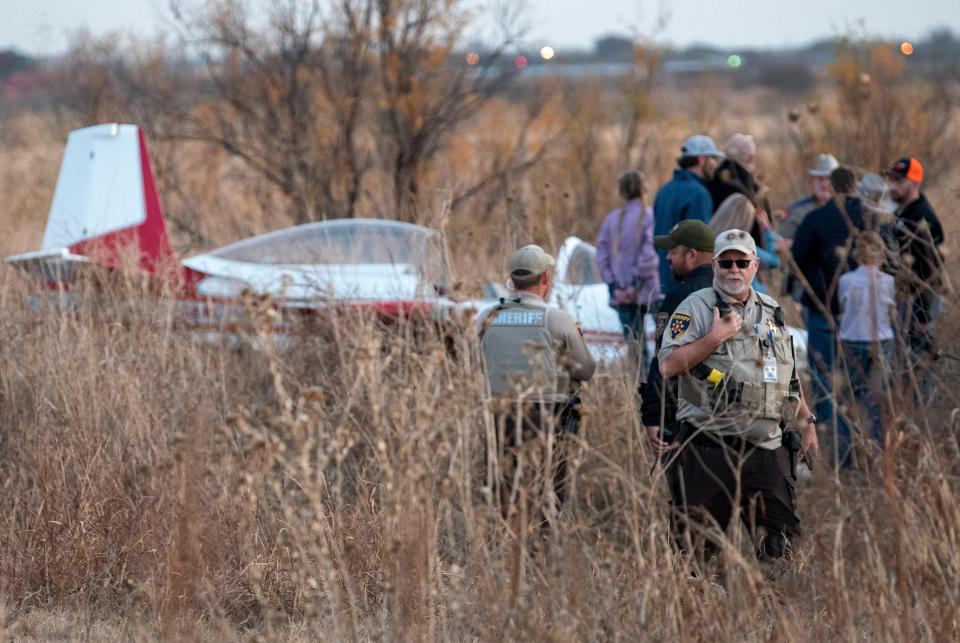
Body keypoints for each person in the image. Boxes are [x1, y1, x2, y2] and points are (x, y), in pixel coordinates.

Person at [659, 229, 818, 564]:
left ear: (755, 265)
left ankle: (771, 613)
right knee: (695, 555)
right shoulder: (697, 308)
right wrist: (714, 338)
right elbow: (668, 366)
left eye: (741, 262)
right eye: (726, 262)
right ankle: (702, 609)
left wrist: (807, 421)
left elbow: (787, 374)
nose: (734, 269)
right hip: (709, 449)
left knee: (781, 549)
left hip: (766, 450)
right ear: (714, 265)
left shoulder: (772, 309)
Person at [477, 245, 597, 530]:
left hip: (497, 417)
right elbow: (587, 370)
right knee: (545, 497)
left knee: (502, 494)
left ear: (512, 279)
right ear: (546, 278)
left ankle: (502, 555)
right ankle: (539, 557)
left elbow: (477, 364)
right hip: (545, 420)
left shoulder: (487, 316)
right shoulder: (557, 319)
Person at [789, 166, 869, 467]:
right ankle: (863, 455)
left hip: (822, 307)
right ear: (855, 186)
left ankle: (830, 450)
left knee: (824, 377)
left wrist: (797, 289)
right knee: (859, 383)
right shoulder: (871, 217)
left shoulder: (815, 218)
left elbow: (796, 259)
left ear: (833, 187)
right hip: (863, 318)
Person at [641, 220, 716, 451]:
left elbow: (664, 361)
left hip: (685, 415)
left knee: (684, 484)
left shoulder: (680, 297)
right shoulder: (732, 292)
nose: (667, 258)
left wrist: (653, 417)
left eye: (673, 251)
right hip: (730, 416)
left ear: (692, 255)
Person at [838, 232, 896, 455]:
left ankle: (850, 448)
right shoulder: (888, 282)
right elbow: (892, 314)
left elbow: (843, 309)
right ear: (882, 253)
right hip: (882, 341)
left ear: (856, 255)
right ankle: (879, 448)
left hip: (853, 341)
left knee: (850, 397)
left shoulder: (846, 281)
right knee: (878, 399)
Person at [885, 157, 946, 362]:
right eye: (891, 180)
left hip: (921, 303)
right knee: (903, 361)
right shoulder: (902, 213)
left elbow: (928, 270)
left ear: (914, 183)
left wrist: (923, 317)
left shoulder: (922, 217)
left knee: (920, 362)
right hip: (906, 301)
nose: (892, 186)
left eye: (899, 181)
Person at [595, 170, 661, 358]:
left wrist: (615, 287)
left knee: (635, 351)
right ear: (645, 189)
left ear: (621, 191)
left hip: (621, 293)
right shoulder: (651, 216)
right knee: (664, 346)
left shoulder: (611, 220)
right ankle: (661, 386)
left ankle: (637, 387)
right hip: (650, 290)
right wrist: (636, 285)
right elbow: (650, 252)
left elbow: (601, 255)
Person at [653, 135, 724, 295]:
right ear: (701, 159)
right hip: (689, 286)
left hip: (664, 282)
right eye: (713, 158)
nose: (715, 164)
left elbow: (656, 237)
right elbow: (701, 244)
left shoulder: (664, 190)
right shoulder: (699, 194)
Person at [710, 193, 780, 294]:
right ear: (746, 221)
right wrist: (766, 230)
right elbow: (774, 261)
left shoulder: (707, 238)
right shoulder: (743, 245)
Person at [778, 153, 839, 240]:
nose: (824, 184)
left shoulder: (851, 209)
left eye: (829, 178)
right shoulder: (796, 210)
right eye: (820, 178)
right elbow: (781, 242)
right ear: (812, 180)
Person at [707, 133, 770, 214]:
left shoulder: (711, 179)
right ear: (749, 158)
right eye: (752, 157)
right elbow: (764, 220)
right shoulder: (750, 187)